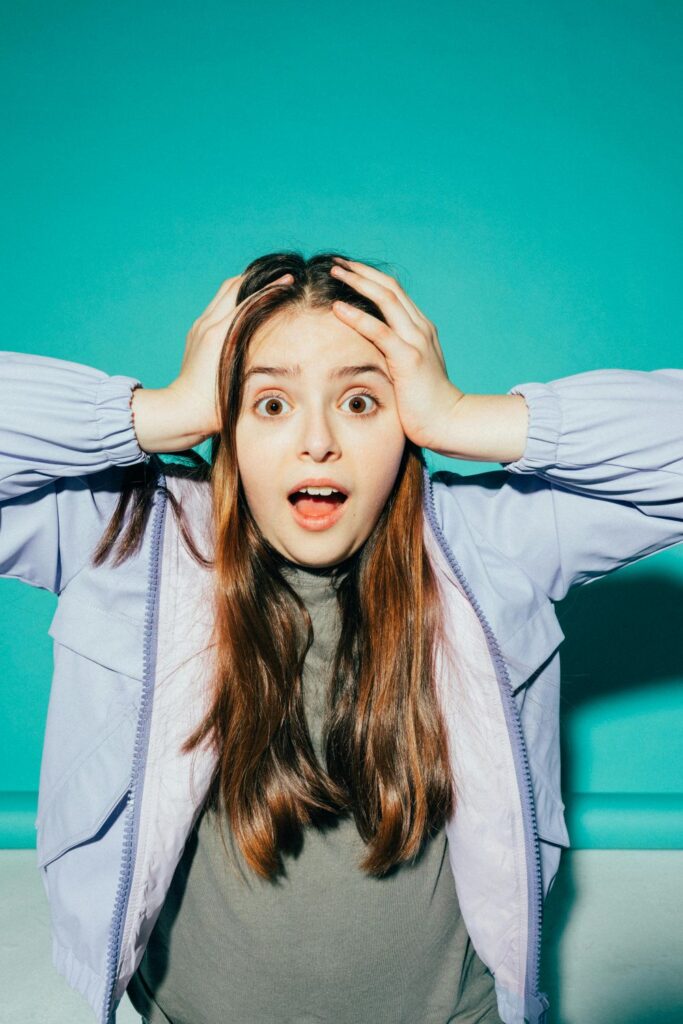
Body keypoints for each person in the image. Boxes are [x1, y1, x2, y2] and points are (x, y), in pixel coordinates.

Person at [1, 251, 681, 1024]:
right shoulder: (126, 539)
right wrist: (151, 414)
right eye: (270, 404)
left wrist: (462, 417)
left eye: (360, 402)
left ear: (407, 420)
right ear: (222, 422)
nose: (317, 441)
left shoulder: (492, 545)